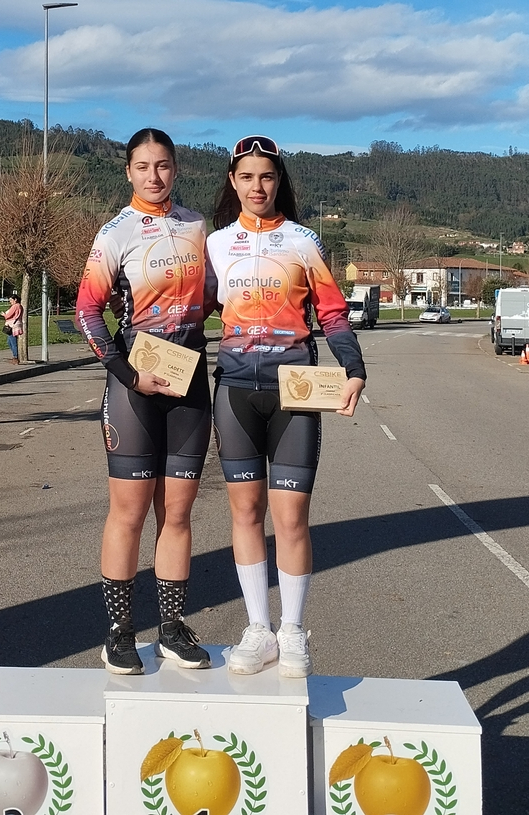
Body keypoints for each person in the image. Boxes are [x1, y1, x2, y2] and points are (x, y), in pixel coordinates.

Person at [207, 135, 366, 678]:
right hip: (234, 389)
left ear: (279, 183)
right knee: (245, 513)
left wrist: (355, 368)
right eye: (247, 177)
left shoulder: (303, 241)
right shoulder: (217, 244)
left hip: (294, 389)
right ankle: (258, 629)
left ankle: (292, 632)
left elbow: (333, 312)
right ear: (234, 182)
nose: (257, 186)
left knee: (291, 516)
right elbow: (186, 304)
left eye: (267, 177)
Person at [75, 128, 217, 675]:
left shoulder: (196, 226)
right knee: (129, 513)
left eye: (162, 166)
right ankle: (118, 632)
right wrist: (127, 373)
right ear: (128, 171)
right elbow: (87, 313)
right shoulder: (115, 233)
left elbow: (208, 300)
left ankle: (173, 629)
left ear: (175, 169)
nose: (153, 176)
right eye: (142, 166)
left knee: (177, 513)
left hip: (188, 380)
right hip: (134, 385)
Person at [1, 293, 23, 363]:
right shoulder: (20, 306)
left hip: (12, 326)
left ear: (15, 299)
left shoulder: (15, 306)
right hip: (17, 324)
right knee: (9, 342)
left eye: (11, 300)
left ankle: (15, 357)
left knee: (13, 342)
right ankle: (15, 354)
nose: (10, 302)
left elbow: (8, 316)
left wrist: (4, 314)